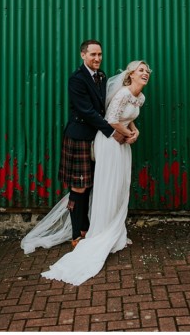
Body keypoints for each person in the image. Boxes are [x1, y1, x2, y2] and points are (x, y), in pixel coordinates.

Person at [21, 41, 137, 255]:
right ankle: (77, 234)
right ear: (83, 55)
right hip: (80, 137)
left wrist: (126, 126)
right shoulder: (77, 79)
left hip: (99, 139)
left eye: (100, 54)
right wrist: (113, 132)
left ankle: (89, 229)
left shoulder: (101, 76)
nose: (97, 58)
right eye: (93, 54)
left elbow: (108, 107)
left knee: (95, 184)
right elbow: (87, 111)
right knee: (79, 186)